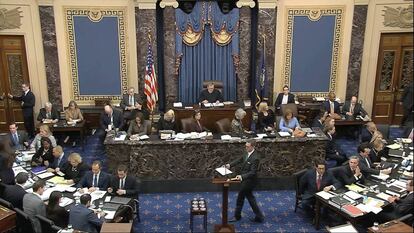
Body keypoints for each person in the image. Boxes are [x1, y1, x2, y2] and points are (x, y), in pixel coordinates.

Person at [226, 140, 264, 223]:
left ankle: (237, 216)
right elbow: (240, 159)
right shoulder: (246, 152)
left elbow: (253, 172)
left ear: (252, 146)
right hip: (245, 180)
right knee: (250, 198)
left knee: (240, 198)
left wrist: (241, 176)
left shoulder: (255, 158)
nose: (246, 147)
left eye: (247, 146)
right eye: (245, 146)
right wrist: (230, 165)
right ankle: (259, 216)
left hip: (249, 181)